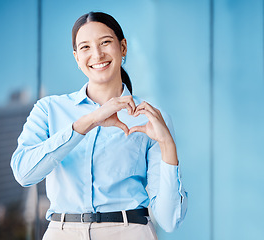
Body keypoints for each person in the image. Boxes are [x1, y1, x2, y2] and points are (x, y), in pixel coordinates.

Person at [10, 11, 187, 240]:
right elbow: (24, 173)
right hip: (62, 232)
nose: (97, 54)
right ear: (76, 57)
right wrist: (89, 121)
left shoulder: (151, 117)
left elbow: (169, 220)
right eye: (85, 47)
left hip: (129, 232)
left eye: (105, 42)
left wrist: (167, 145)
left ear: (123, 47)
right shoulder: (48, 109)